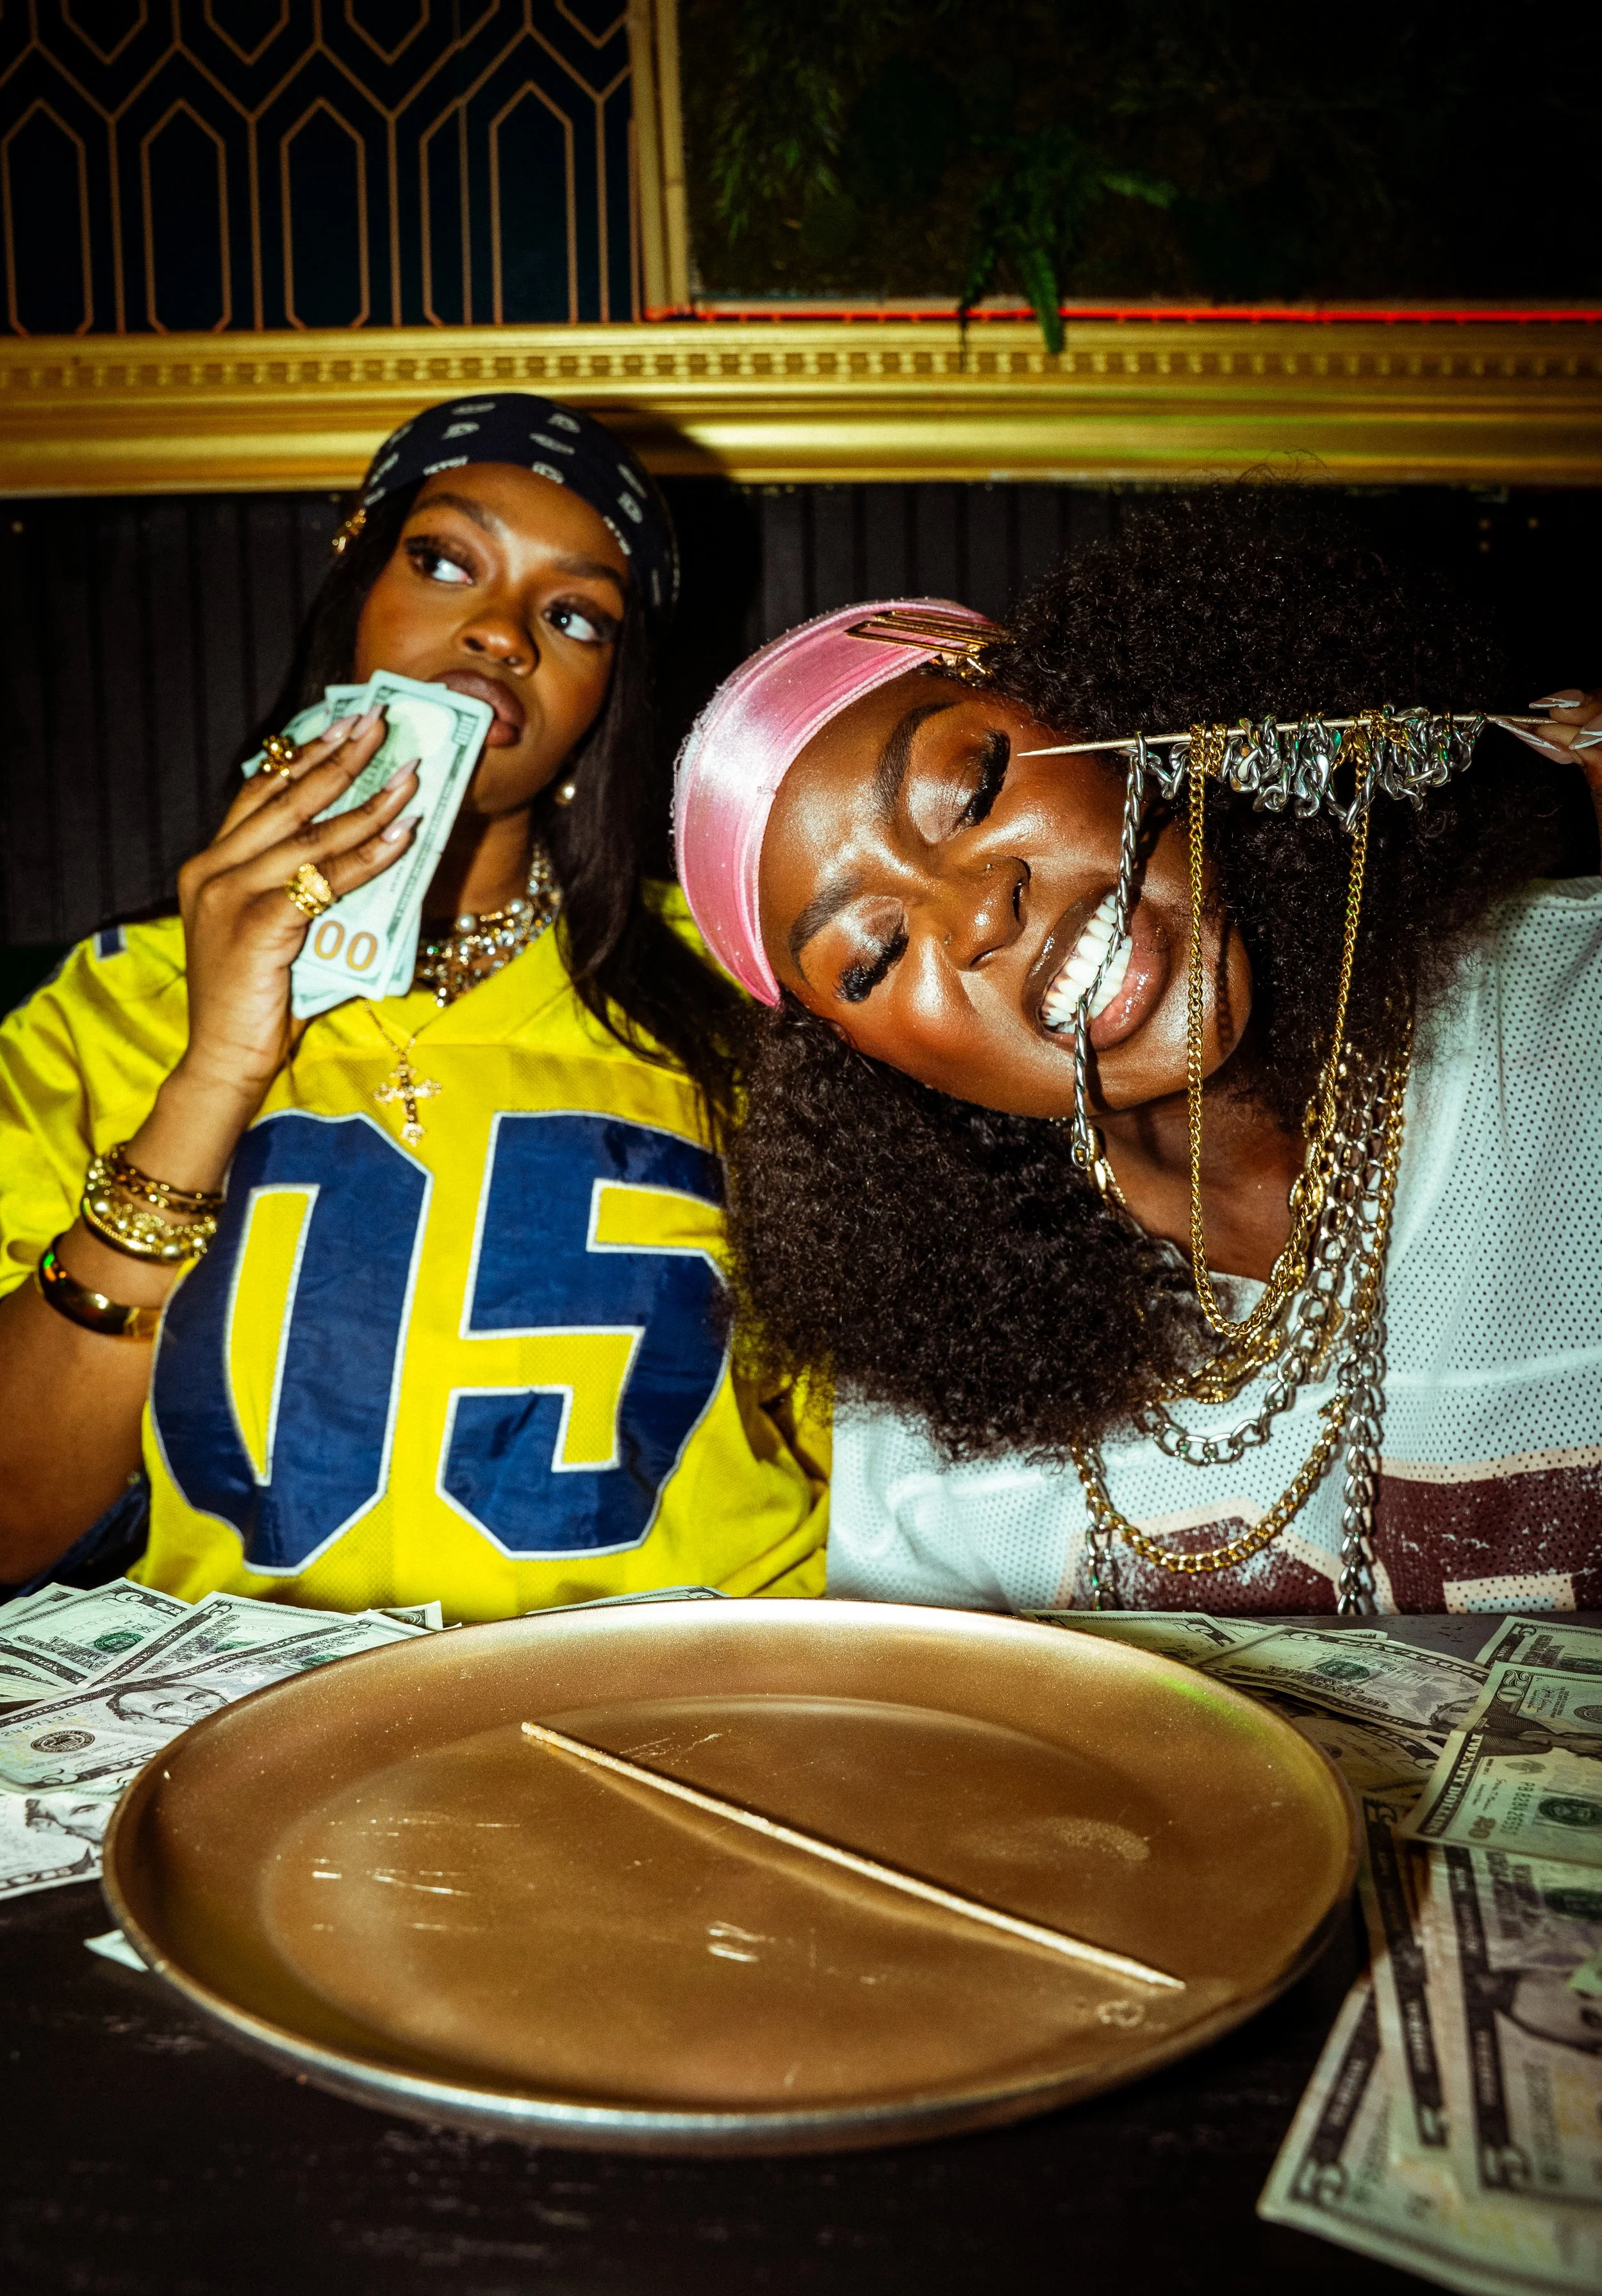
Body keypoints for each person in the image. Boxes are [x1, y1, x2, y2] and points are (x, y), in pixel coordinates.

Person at [672, 498, 1602, 1617]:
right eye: (872, 955)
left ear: (1108, 717)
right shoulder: (936, 1404)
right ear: (872, 1067)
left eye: (970, 792)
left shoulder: (1569, 1026)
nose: (977, 914)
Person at [0, 396, 826, 1615]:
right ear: (355, 600)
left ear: (608, 698)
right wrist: (215, 1072)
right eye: (445, 561)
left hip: (679, 1714)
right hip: (251, 1748)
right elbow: (13, 1520)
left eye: (573, 615)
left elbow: (882, 1462)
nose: (499, 632)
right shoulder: (112, 1004)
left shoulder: (745, 990)